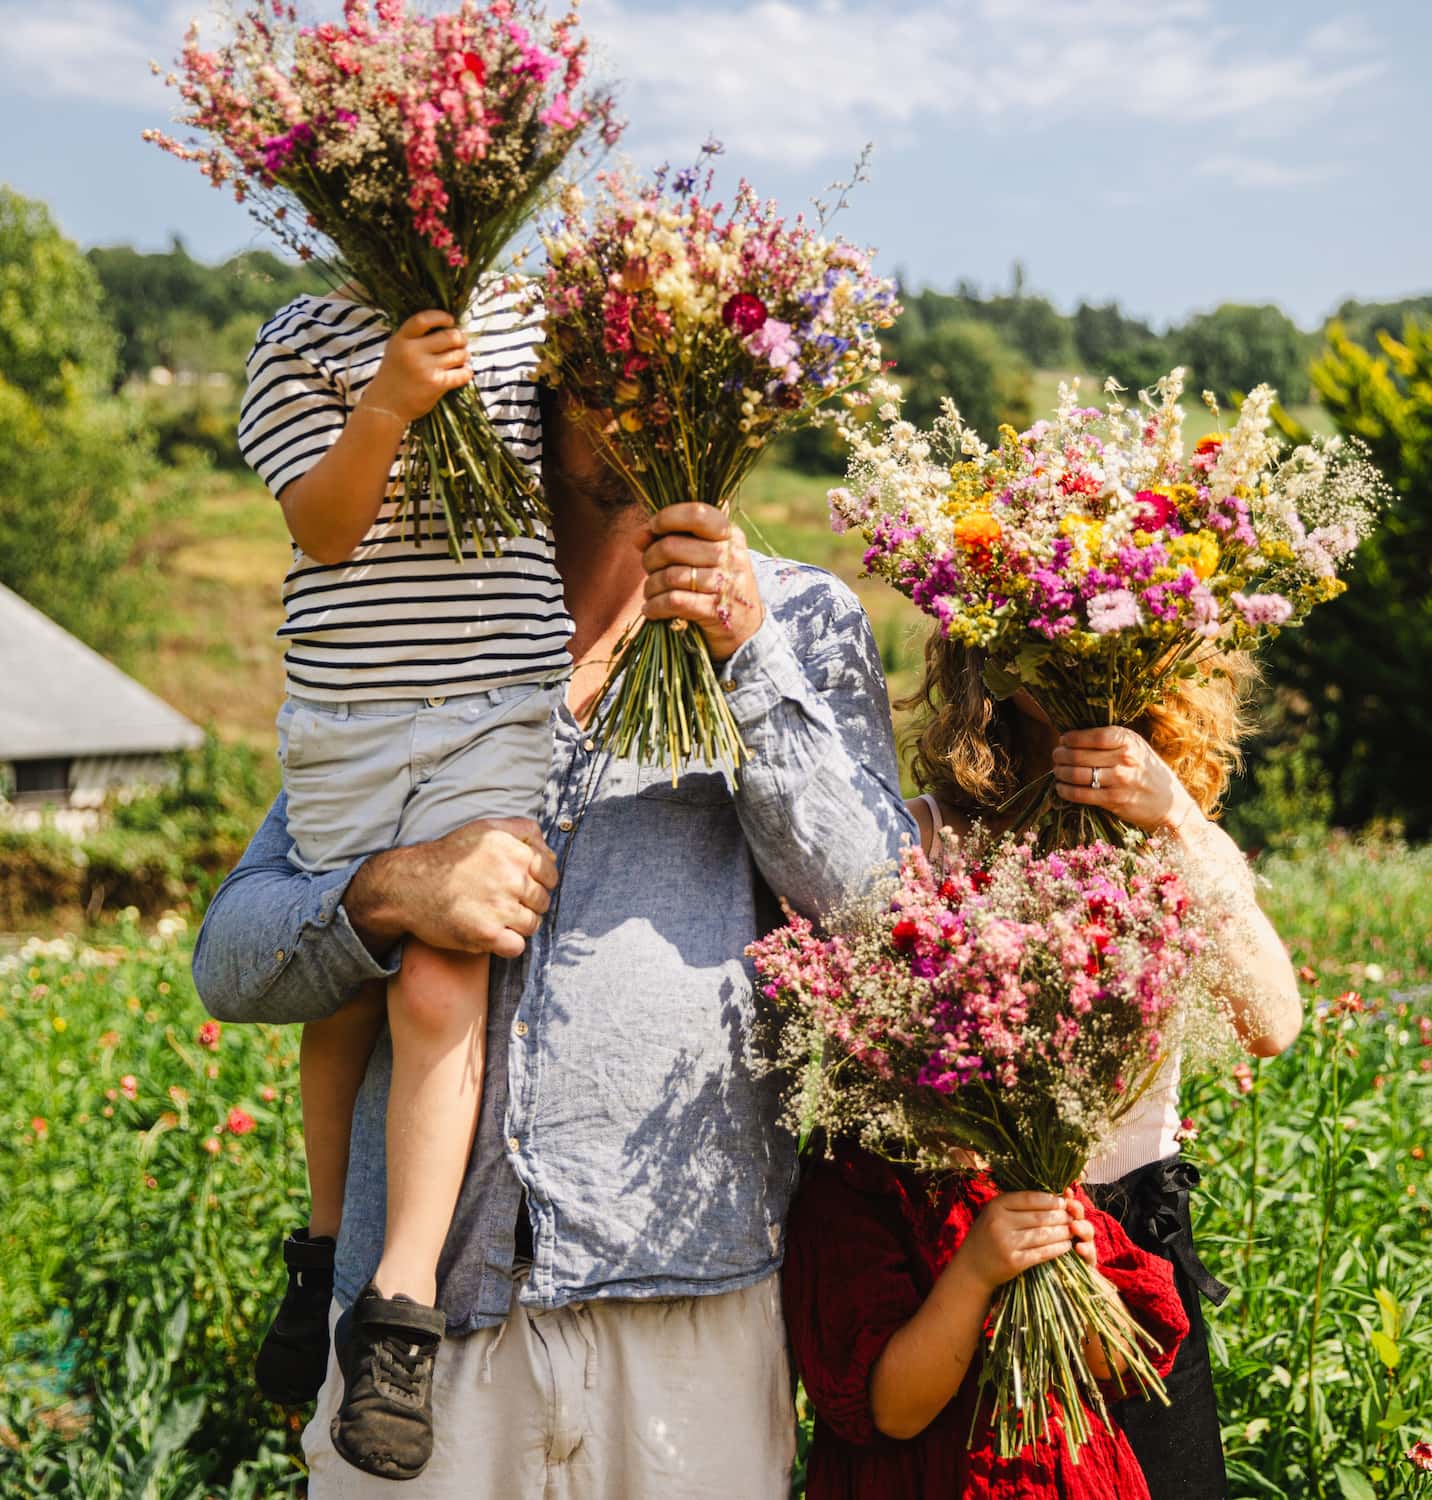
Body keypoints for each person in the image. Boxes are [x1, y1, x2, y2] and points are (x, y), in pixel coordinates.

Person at [194, 368, 917, 1495]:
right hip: (421, 1331)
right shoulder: (423, 615)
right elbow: (232, 956)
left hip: (692, 1306)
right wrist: (388, 892)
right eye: (607, 365)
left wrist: (744, 651)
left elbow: (881, 915)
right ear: (534, 385)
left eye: (680, 360)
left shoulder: (801, 621)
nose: (644, 400)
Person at [237, 280, 571, 1478]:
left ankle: (398, 1311)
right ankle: (322, 1252)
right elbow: (324, 529)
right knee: (342, 984)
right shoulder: (300, 339)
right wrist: (382, 402)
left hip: (499, 712)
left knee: (441, 983)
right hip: (347, 719)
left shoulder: (535, 315)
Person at [902, 637, 1304, 1499]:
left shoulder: (1171, 827)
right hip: (976, 1249)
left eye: (1106, 621)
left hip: (1138, 1243)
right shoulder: (933, 836)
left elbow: (1272, 1023)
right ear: (989, 648)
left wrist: (1178, 820)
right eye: (1047, 624)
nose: (1078, 641)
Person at [782, 1150, 1189, 1498]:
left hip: (1070, 1474)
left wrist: (1087, 1282)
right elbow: (896, 1412)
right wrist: (975, 1274)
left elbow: (1112, 1367)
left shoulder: (1034, 1167)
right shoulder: (854, 1190)